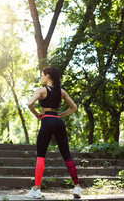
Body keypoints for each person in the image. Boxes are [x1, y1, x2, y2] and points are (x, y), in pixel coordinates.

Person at [25, 67, 81, 199]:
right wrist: (59, 115)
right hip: (58, 121)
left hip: (47, 121)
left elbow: (29, 104)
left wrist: (37, 115)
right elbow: (74, 108)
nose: (41, 78)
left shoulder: (41, 90)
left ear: (48, 76)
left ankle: (37, 189)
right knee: (66, 154)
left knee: (41, 156)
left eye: (42, 75)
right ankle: (77, 186)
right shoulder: (61, 92)